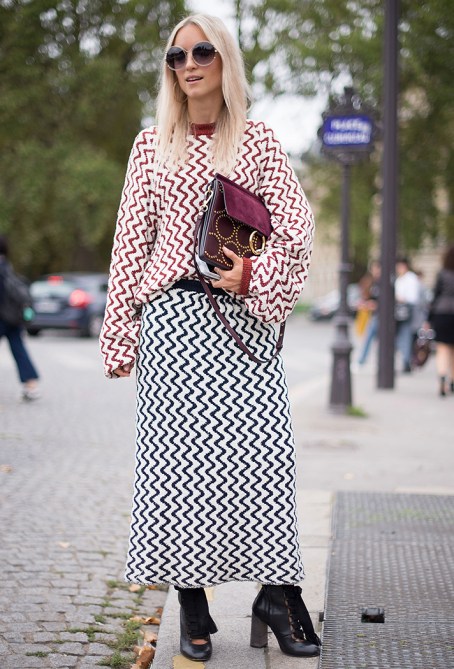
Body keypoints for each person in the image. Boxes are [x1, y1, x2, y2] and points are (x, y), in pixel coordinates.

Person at [100, 13, 320, 662]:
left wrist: (252, 274)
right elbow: (131, 243)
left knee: (264, 464)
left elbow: (298, 229)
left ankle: (277, 595)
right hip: (173, 326)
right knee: (178, 473)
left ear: (225, 60)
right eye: (176, 56)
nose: (188, 65)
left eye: (201, 52)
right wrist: (119, 335)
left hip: (244, 325)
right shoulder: (151, 145)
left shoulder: (257, 140)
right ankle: (192, 602)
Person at [0, 235, 41, 401]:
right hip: (14, 318)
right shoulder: (6, 265)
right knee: (19, 350)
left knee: (19, 349)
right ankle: (31, 385)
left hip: (2, 317)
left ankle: (31, 385)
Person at [428, 246, 454, 396]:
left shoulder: (442, 274)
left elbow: (435, 296)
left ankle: (442, 378)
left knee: (442, 348)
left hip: (442, 314)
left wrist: (428, 319)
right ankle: (453, 381)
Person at [395, 257, 420, 372]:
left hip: (407, 310)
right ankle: (406, 360)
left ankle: (406, 361)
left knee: (405, 335)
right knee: (402, 336)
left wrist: (400, 298)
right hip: (400, 310)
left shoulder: (410, 278)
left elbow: (413, 298)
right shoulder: (399, 278)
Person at [357, 260, 381, 366]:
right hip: (374, 315)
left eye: (376, 268)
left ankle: (362, 360)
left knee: (371, 338)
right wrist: (365, 303)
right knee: (369, 337)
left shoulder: (383, 282)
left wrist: (375, 305)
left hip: (380, 315)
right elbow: (368, 297)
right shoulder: (372, 282)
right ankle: (362, 360)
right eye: (373, 269)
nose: (375, 271)